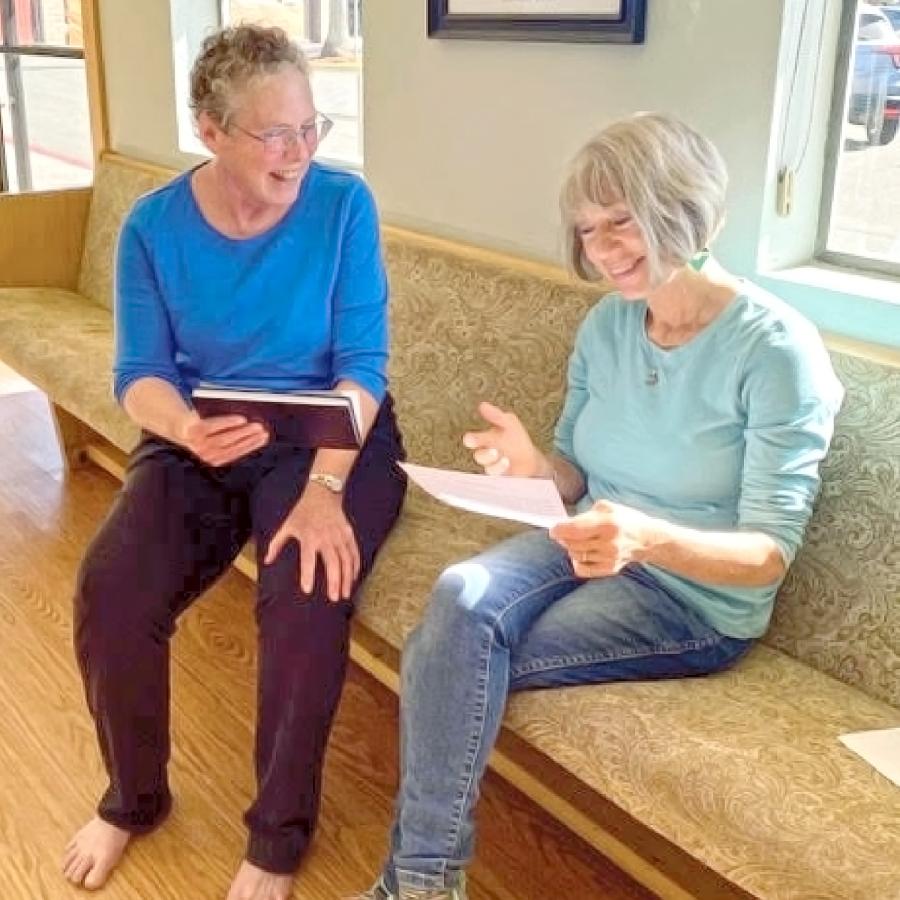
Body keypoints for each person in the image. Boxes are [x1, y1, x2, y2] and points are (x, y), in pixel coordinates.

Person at [355, 113, 843, 900]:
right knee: (458, 598)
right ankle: (424, 884)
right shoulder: (609, 323)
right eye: (588, 230)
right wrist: (532, 464)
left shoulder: (777, 352)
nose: (602, 248)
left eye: (623, 222)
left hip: (690, 599)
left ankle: (414, 884)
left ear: (687, 210)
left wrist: (645, 539)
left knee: (446, 652)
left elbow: (767, 557)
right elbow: (576, 477)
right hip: (585, 538)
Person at [62, 25, 406, 900]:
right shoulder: (154, 228)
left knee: (305, 586)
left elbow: (362, 367)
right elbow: (138, 375)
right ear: (210, 130)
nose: (299, 152)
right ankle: (132, 801)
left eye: (310, 128)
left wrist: (328, 490)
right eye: (274, 134)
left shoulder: (342, 205)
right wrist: (182, 429)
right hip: (204, 430)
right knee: (112, 589)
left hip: (332, 434)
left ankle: (277, 838)